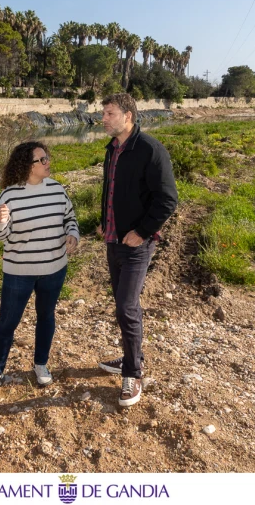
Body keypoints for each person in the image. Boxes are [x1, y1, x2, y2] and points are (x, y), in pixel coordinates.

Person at [0, 141, 80, 396]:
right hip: (18, 271)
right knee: (7, 323)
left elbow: (70, 218)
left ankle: (40, 364)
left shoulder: (56, 188)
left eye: (47, 158)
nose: (48, 163)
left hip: (54, 268)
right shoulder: (9, 195)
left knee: (46, 317)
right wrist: (1, 223)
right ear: (28, 165)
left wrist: (73, 235)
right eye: (42, 160)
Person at [96, 93, 178, 407]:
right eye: (103, 113)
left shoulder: (150, 150)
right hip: (112, 241)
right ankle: (133, 356)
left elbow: (168, 199)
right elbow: (111, 190)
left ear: (128, 116)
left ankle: (133, 373)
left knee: (126, 307)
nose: (103, 118)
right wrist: (104, 221)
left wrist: (142, 232)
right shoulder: (112, 149)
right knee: (123, 304)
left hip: (136, 245)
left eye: (109, 113)